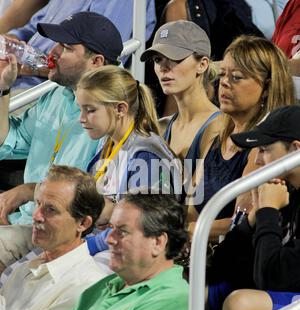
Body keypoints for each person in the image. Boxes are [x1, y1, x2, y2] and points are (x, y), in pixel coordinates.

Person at [0, 12, 123, 271]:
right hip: (23, 215)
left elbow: (92, 198)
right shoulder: (55, 95)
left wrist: (28, 190)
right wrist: (4, 89)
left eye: (66, 47)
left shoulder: (114, 113)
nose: (52, 53)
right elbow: (6, 142)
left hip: (56, 229)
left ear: (96, 62)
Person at [0, 193, 189, 310]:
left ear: (158, 242)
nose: (109, 239)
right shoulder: (108, 285)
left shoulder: (173, 299)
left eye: (122, 231)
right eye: (111, 228)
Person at [187, 35, 296, 241]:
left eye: (236, 77)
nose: (224, 83)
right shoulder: (216, 137)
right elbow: (192, 207)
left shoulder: (263, 150)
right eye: (222, 75)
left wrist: (185, 232)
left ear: (266, 88)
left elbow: (239, 223)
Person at [219, 105, 300, 310]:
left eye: (265, 150)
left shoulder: (275, 198)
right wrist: (251, 223)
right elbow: (220, 267)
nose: (256, 160)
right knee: (204, 291)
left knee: (240, 305)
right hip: (288, 294)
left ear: (296, 150)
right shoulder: (283, 192)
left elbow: (271, 278)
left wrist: (267, 212)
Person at [0, 165, 108, 310]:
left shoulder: (85, 288)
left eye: (51, 210)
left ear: (82, 223)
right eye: (38, 204)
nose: (36, 215)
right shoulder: (27, 268)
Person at [76, 65, 181, 228]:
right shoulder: (107, 142)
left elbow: (143, 227)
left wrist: (108, 216)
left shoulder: (145, 156)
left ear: (120, 109)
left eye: (90, 110)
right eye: (80, 110)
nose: (81, 119)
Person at [140, 20, 222, 204]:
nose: (163, 67)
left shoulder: (218, 126)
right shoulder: (161, 126)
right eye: (157, 59)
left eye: (175, 58)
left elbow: (197, 207)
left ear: (202, 64)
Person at [5, 0, 156, 90]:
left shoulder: (121, 4)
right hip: (17, 74)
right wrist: (11, 40)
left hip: (46, 89)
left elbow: (100, 64)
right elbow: (33, 28)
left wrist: (31, 67)